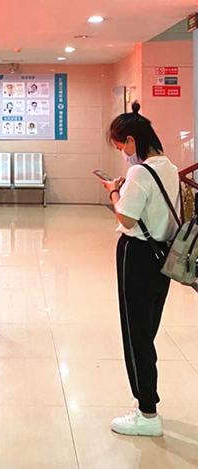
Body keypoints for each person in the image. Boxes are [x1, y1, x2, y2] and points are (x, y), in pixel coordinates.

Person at [100, 102, 179, 437]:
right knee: (147, 329)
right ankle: (146, 401)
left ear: (132, 140)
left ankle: (147, 412)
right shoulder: (169, 167)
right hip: (163, 255)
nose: (123, 153)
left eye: (121, 146)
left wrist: (114, 191)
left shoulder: (140, 172)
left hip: (137, 254)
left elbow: (127, 217)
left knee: (136, 334)